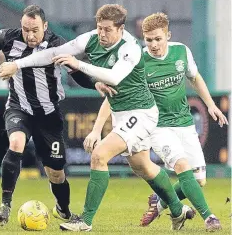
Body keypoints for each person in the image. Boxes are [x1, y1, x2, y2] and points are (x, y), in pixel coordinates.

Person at [0, 4, 195, 232]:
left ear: (120, 29)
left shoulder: (130, 48)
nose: (102, 33)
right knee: (144, 167)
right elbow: (53, 53)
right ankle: (178, 212)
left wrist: (78, 63)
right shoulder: (91, 39)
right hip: (121, 114)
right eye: (99, 28)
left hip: (141, 113)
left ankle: (85, 221)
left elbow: (114, 77)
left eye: (107, 29)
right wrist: (16, 64)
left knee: (99, 156)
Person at [0, 5, 106, 227]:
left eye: (35, 30)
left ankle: (64, 210)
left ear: (45, 27)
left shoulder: (57, 44)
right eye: (26, 30)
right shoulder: (8, 37)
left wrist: (95, 82)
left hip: (49, 115)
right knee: (16, 142)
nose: (30, 35)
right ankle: (5, 204)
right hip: (19, 108)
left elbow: (76, 73)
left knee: (56, 173)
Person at [92, 12, 227, 232]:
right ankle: (209, 217)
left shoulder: (181, 51)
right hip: (156, 125)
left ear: (168, 36)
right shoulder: (137, 60)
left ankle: (160, 200)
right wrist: (97, 129)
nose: (153, 44)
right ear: (143, 38)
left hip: (184, 122)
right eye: (149, 40)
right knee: (182, 166)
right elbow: (112, 94)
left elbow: (195, 77)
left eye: (158, 39)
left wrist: (211, 105)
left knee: (199, 180)